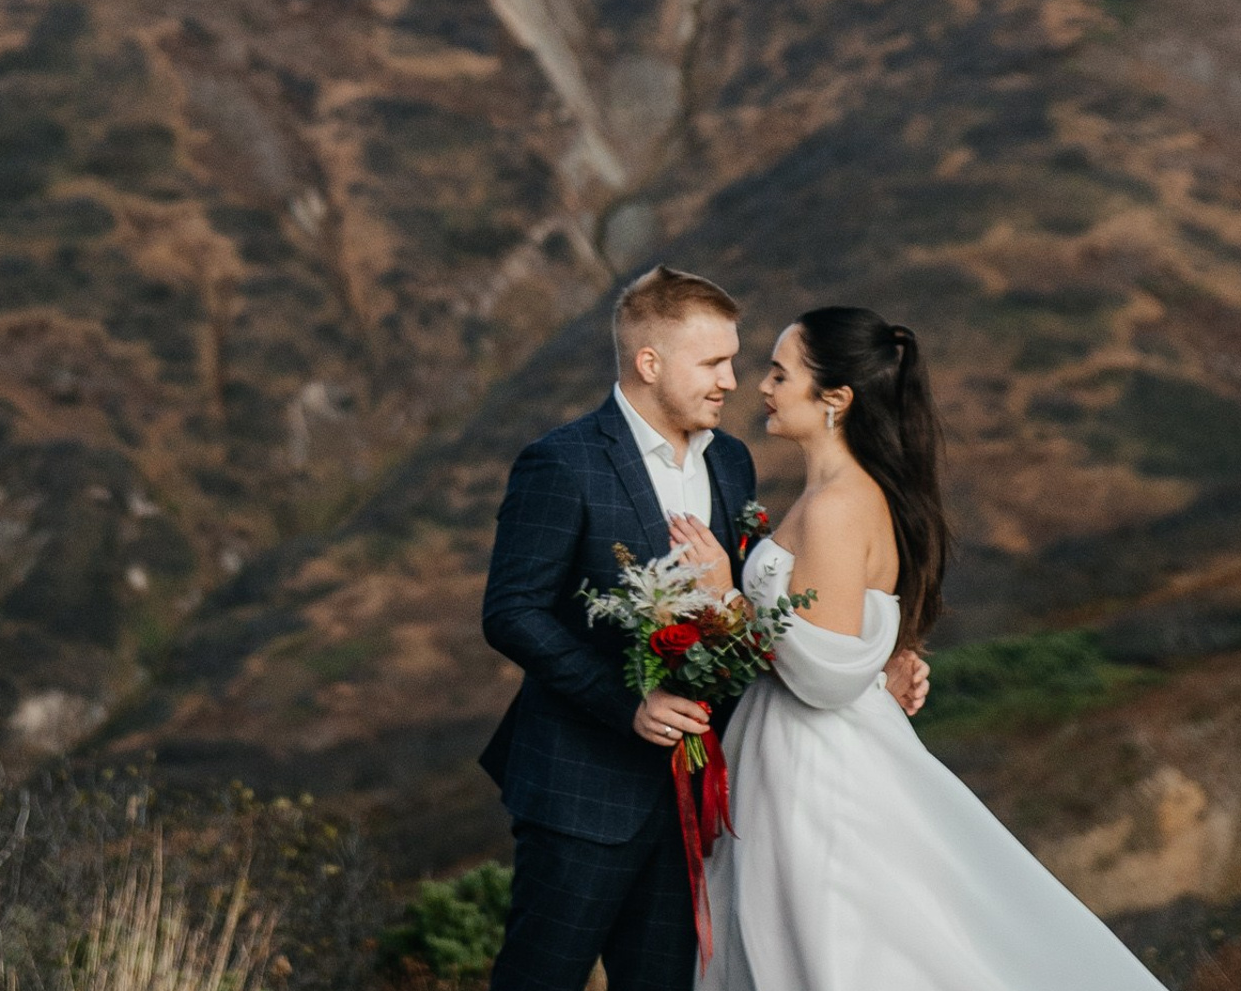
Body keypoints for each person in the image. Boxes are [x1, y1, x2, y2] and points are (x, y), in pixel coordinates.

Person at [478, 268, 929, 991]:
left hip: (707, 793)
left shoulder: (731, 462)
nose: (732, 381)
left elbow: (771, 604)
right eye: (713, 363)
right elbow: (511, 612)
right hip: (583, 787)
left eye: (736, 361)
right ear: (649, 364)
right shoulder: (561, 463)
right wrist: (625, 704)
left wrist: (877, 664)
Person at [692, 307, 1168, 990]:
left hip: (814, 768)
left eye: (779, 372)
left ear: (835, 398)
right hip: (789, 754)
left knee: (833, 947)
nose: (761, 386)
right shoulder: (836, 495)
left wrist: (724, 596)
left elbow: (821, 672)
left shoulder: (836, 506)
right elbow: (853, 632)